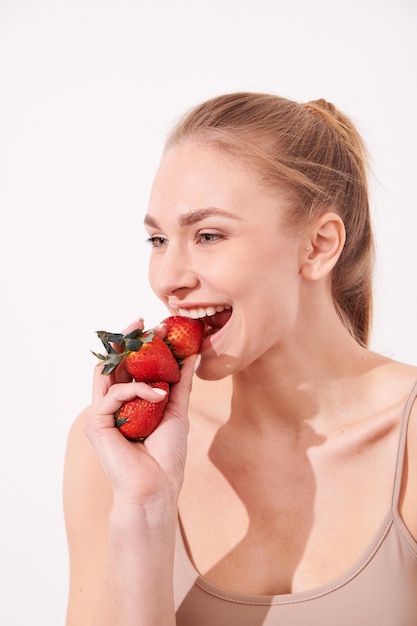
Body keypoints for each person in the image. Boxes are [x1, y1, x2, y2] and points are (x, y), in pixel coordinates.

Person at [63, 92, 417, 625]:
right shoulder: (113, 448)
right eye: (158, 238)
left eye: (208, 235)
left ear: (318, 246)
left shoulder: (407, 439)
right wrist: (143, 511)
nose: (167, 279)